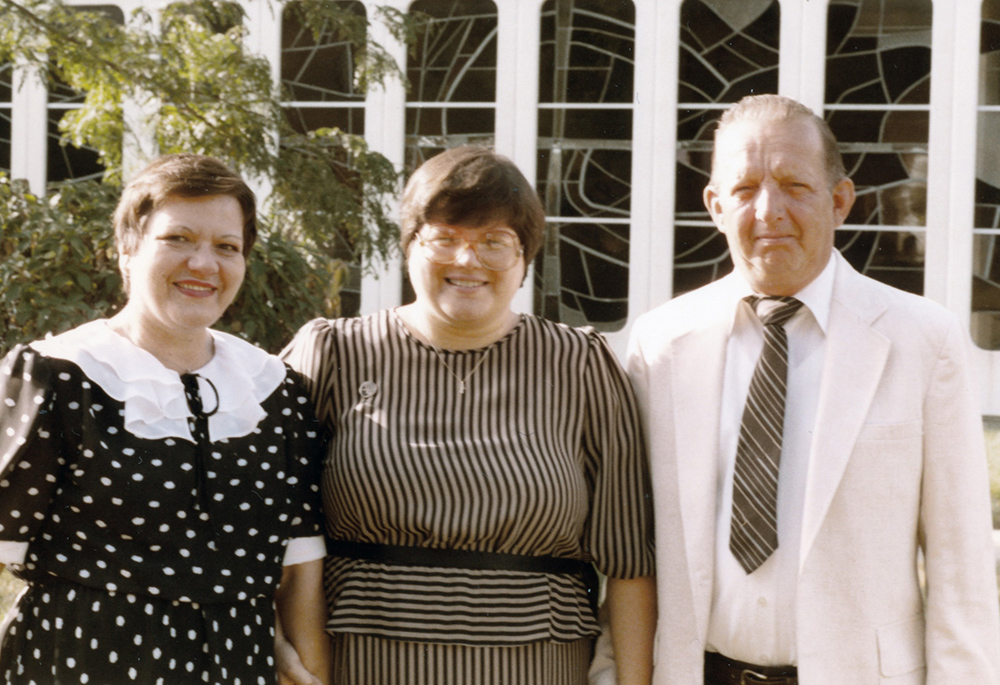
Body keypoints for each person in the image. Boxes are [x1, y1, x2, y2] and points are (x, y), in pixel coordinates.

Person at [627, 94, 1000, 684]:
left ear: (840, 200)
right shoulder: (660, 345)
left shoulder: (922, 340)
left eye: (795, 186)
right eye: (745, 188)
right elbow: (630, 549)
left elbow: (962, 567)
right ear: (715, 206)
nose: (769, 210)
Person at [280, 144, 656, 684]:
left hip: (538, 667)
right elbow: (259, 523)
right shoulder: (334, 354)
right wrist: (271, 641)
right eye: (445, 238)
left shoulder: (581, 364)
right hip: (363, 663)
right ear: (409, 245)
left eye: (494, 242)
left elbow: (629, 563)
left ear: (525, 259)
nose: (467, 260)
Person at [0, 153, 331, 684]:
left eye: (227, 247)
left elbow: (300, 575)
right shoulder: (57, 377)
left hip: (236, 666)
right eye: (177, 239)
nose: (204, 264)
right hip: (80, 663)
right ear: (127, 250)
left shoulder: (274, 390)